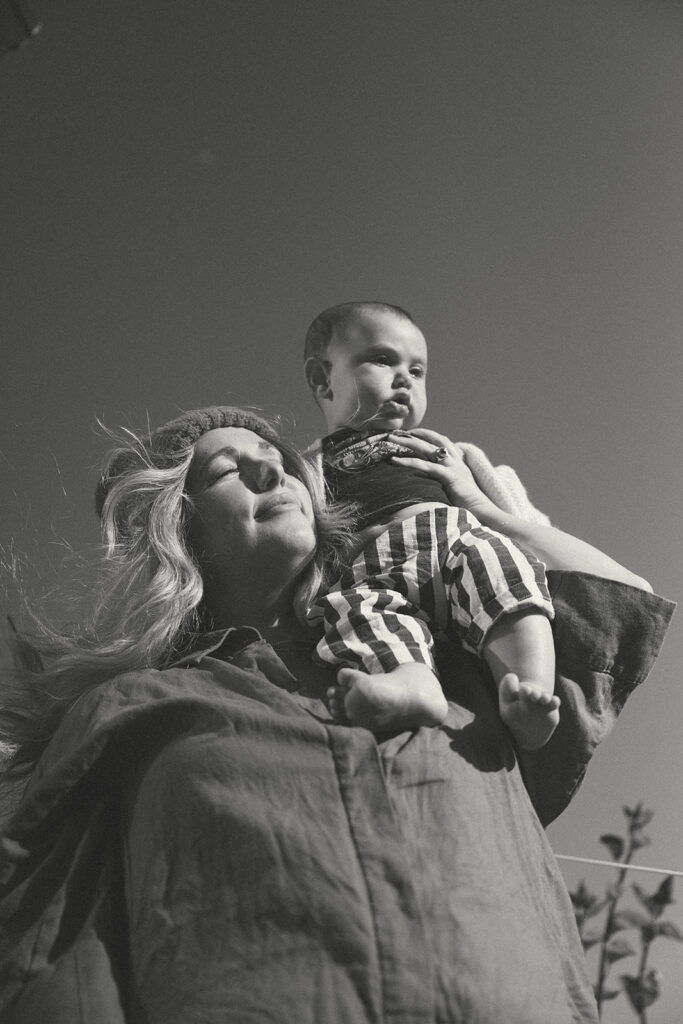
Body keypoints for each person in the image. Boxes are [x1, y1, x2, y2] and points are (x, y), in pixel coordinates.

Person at [0, 405, 675, 1024]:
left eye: (279, 458)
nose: (272, 467)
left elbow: (620, 597)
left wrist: (477, 508)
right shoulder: (128, 710)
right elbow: (54, 958)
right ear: (178, 527)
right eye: (226, 470)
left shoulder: (456, 660)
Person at [303, 301, 649, 747]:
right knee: (359, 611)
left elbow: (554, 549)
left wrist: (478, 502)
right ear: (321, 378)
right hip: (372, 570)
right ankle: (412, 683)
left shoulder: (451, 453)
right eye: (383, 359)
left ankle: (529, 690)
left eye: (419, 370)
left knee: (504, 573)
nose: (405, 377)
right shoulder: (307, 467)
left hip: (452, 537)